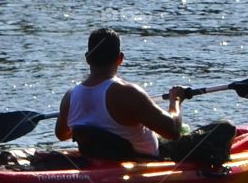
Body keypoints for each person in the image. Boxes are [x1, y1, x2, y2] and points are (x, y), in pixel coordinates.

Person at [55, 28, 188, 158]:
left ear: (87, 58)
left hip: (98, 158)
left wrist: (91, 121)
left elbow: (62, 135)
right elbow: (173, 131)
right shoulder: (128, 93)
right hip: (143, 162)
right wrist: (175, 99)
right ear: (120, 59)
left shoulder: (70, 97)